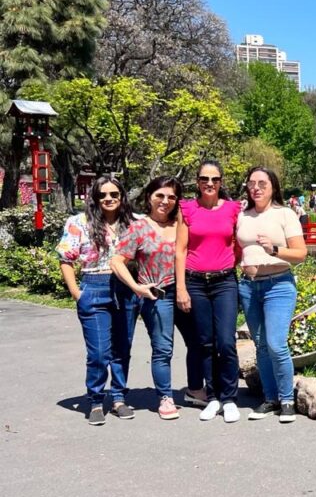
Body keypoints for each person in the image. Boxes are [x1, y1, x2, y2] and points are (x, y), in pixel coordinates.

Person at [58, 175, 140, 425]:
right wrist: (77, 293)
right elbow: (65, 259)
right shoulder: (78, 222)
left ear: (122, 196)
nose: (108, 198)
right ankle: (95, 400)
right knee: (99, 353)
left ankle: (118, 398)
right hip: (93, 287)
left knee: (122, 349)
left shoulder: (135, 222)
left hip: (125, 290)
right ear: (94, 197)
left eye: (114, 194)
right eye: (102, 194)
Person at [110, 176, 185, 421]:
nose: (165, 201)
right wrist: (136, 287)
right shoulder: (139, 227)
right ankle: (164, 397)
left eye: (171, 197)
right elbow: (116, 261)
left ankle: (197, 389)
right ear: (149, 197)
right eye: (160, 195)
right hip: (155, 294)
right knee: (159, 348)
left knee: (198, 343)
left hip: (184, 291)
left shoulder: (182, 224)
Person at [237, 167, 308, 423]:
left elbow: (300, 254)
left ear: (273, 187)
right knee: (261, 345)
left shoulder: (285, 214)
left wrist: (275, 249)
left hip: (278, 285)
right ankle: (270, 398)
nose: (256, 188)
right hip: (248, 286)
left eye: (262, 183)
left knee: (277, 344)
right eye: (251, 183)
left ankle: (287, 399)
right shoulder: (242, 215)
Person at [175, 160, 242, 423]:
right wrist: (181, 287)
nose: (210, 183)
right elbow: (180, 250)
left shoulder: (233, 209)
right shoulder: (188, 209)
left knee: (226, 341)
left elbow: (238, 245)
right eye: (204, 179)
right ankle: (213, 397)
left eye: (215, 179)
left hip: (224, 282)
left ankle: (230, 398)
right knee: (205, 342)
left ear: (221, 182)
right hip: (195, 282)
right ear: (198, 182)